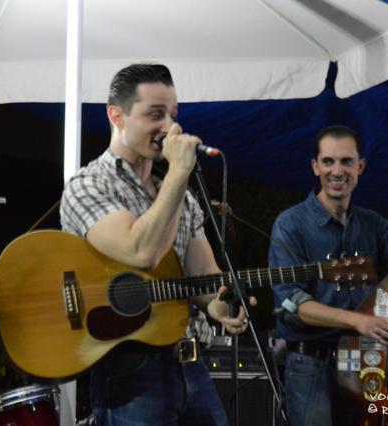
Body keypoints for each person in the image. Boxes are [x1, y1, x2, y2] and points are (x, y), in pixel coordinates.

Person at [60, 63, 251, 425]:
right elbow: (141, 252)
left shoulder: (181, 194)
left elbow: (203, 273)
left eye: (173, 114)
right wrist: (179, 173)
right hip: (129, 373)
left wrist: (219, 305)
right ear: (117, 116)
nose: (170, 127)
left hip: (191, 364)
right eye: (155, 114)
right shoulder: (88, 186)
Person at [268, 125, 388, 426]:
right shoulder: (290, 224)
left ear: (360, 166)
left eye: (346, 161)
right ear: (315, 166)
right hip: (311, 364)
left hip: (366, 363)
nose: (337, 171)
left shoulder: (372, 224)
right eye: (328, 161)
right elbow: (293, 304)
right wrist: (361, 321)